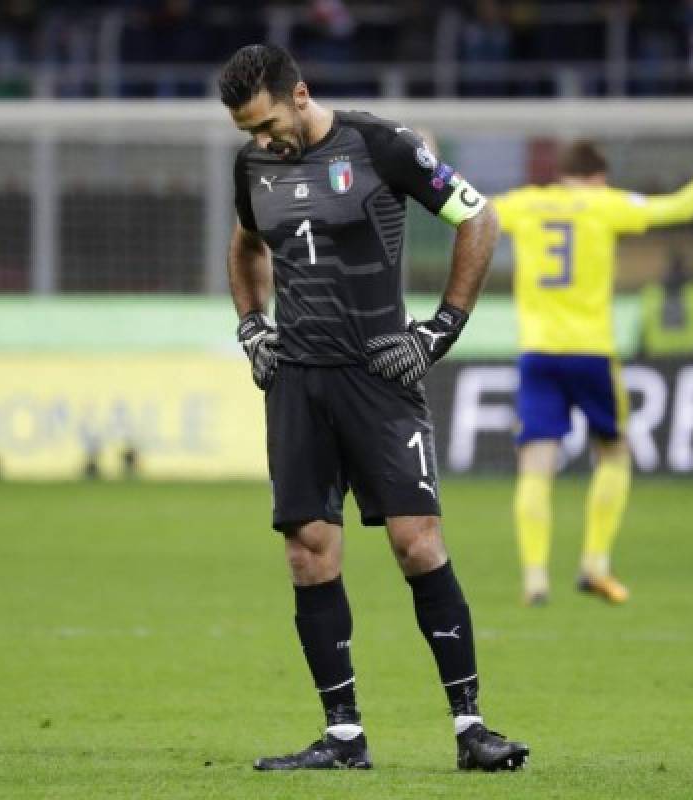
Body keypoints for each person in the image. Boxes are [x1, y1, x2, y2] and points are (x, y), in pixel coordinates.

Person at [220, 43, 528, 772]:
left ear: (300, 96)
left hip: (379, 375)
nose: (261, 141)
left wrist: (438, 331)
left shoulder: (381, 146)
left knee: (416, 543)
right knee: (307, 553)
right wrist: (252, 325)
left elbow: (478, 221)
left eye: (266, 124)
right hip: (297, 379)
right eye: (247, 133)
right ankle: (344, 738)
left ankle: (472, 730)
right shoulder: (252, 168)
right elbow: (244, 245)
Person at [494, 129, 693, 606]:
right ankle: (594, 562)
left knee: (536, 464)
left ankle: (535, 576)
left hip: (537, 352)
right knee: (614, 455)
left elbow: (464, 208)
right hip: (592, 351)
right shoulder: (605, 204)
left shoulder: (525, 204)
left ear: (562, 175)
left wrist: (427, 161)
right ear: (599, 177)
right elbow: (680, 207)